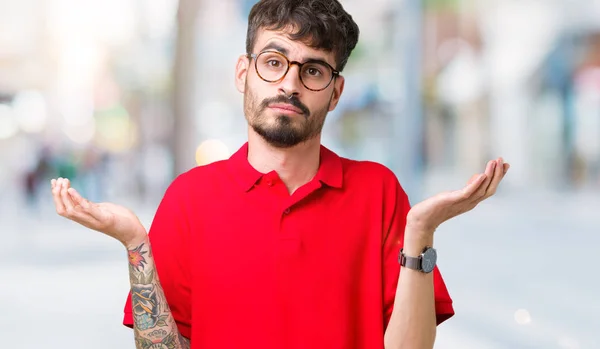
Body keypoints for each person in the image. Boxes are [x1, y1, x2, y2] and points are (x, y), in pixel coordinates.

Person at [50, 0, 510, 348]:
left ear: (334, 93)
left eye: (312, 70)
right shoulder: (189, 199)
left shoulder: (379, 191)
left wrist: (420, 233)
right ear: (242, 73)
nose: (289, 84)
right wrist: (136, 243)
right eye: (274, 63)